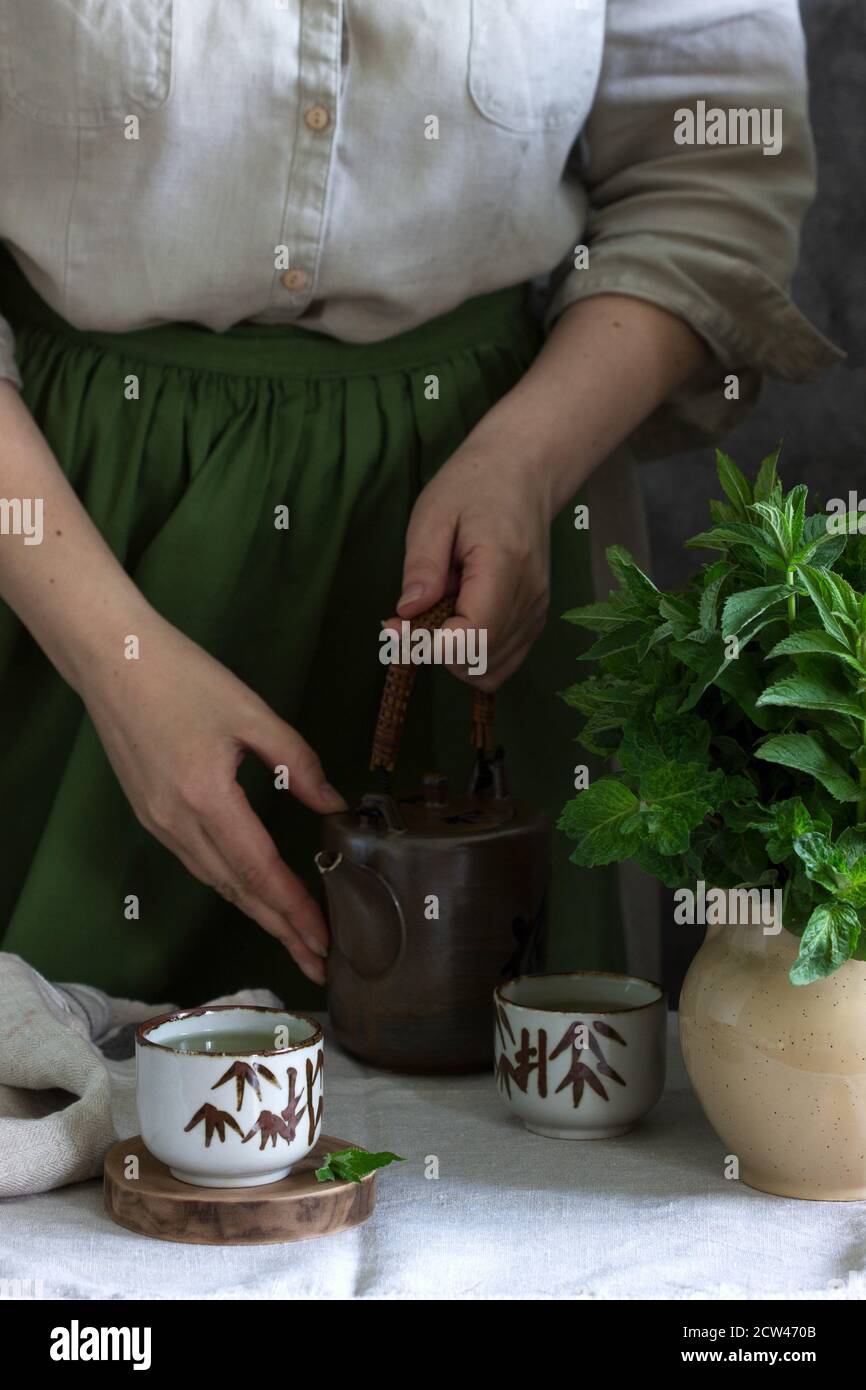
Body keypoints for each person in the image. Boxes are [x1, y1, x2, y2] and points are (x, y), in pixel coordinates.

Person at [0, 1, 841, 1005]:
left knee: (507, 1103)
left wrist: (526, 459)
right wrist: (112, 653)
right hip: (58, 536)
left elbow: (706, 176)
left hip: (489, 527)